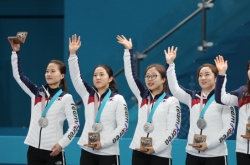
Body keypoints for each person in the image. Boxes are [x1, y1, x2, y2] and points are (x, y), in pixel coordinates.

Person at [9, 40, 79, 165]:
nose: (49, 74)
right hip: (33, 150)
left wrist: (61, 144)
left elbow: (75, 125)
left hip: (54, 151)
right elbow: (19, 76)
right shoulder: (36, 92)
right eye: (47, 71)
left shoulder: (66, 98)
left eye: (53, 71)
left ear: (62, 75)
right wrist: (16, 52)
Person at [165, 46, 235, 165]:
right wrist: (170, 64)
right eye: (200, 75)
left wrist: (208, 144)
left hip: (215, 155)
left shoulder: (225, 100)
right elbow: (174, 88)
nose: (203, 77)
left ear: (216, 78)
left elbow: (229, 128)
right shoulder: (192, 97)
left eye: (207, 74)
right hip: (193, 154)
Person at [117, 35, 181, 165]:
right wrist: (128, 51)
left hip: (160, 154)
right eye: (147, 76)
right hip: (139, 151)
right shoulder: (142, 95)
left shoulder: (171, 101)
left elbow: (174, 129)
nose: (150, 79)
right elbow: (130, 75)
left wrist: (156, 148)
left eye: (154, 76)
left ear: (163, 79)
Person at [68, 34, 128, 165]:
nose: (97, 77)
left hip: (108, 152)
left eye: (102, 74)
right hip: (87, 150)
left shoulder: (118, 99)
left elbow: (123, 126)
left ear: (110, 78)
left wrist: (103, 143)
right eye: (95, 75)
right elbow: (76, 77)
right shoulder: (87, 95)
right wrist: (72, 54)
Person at [215, 55, 250, 165]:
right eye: (249, 68)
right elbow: (221, 98)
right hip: (243, 149)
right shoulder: (242, 92)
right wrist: (221, 74)